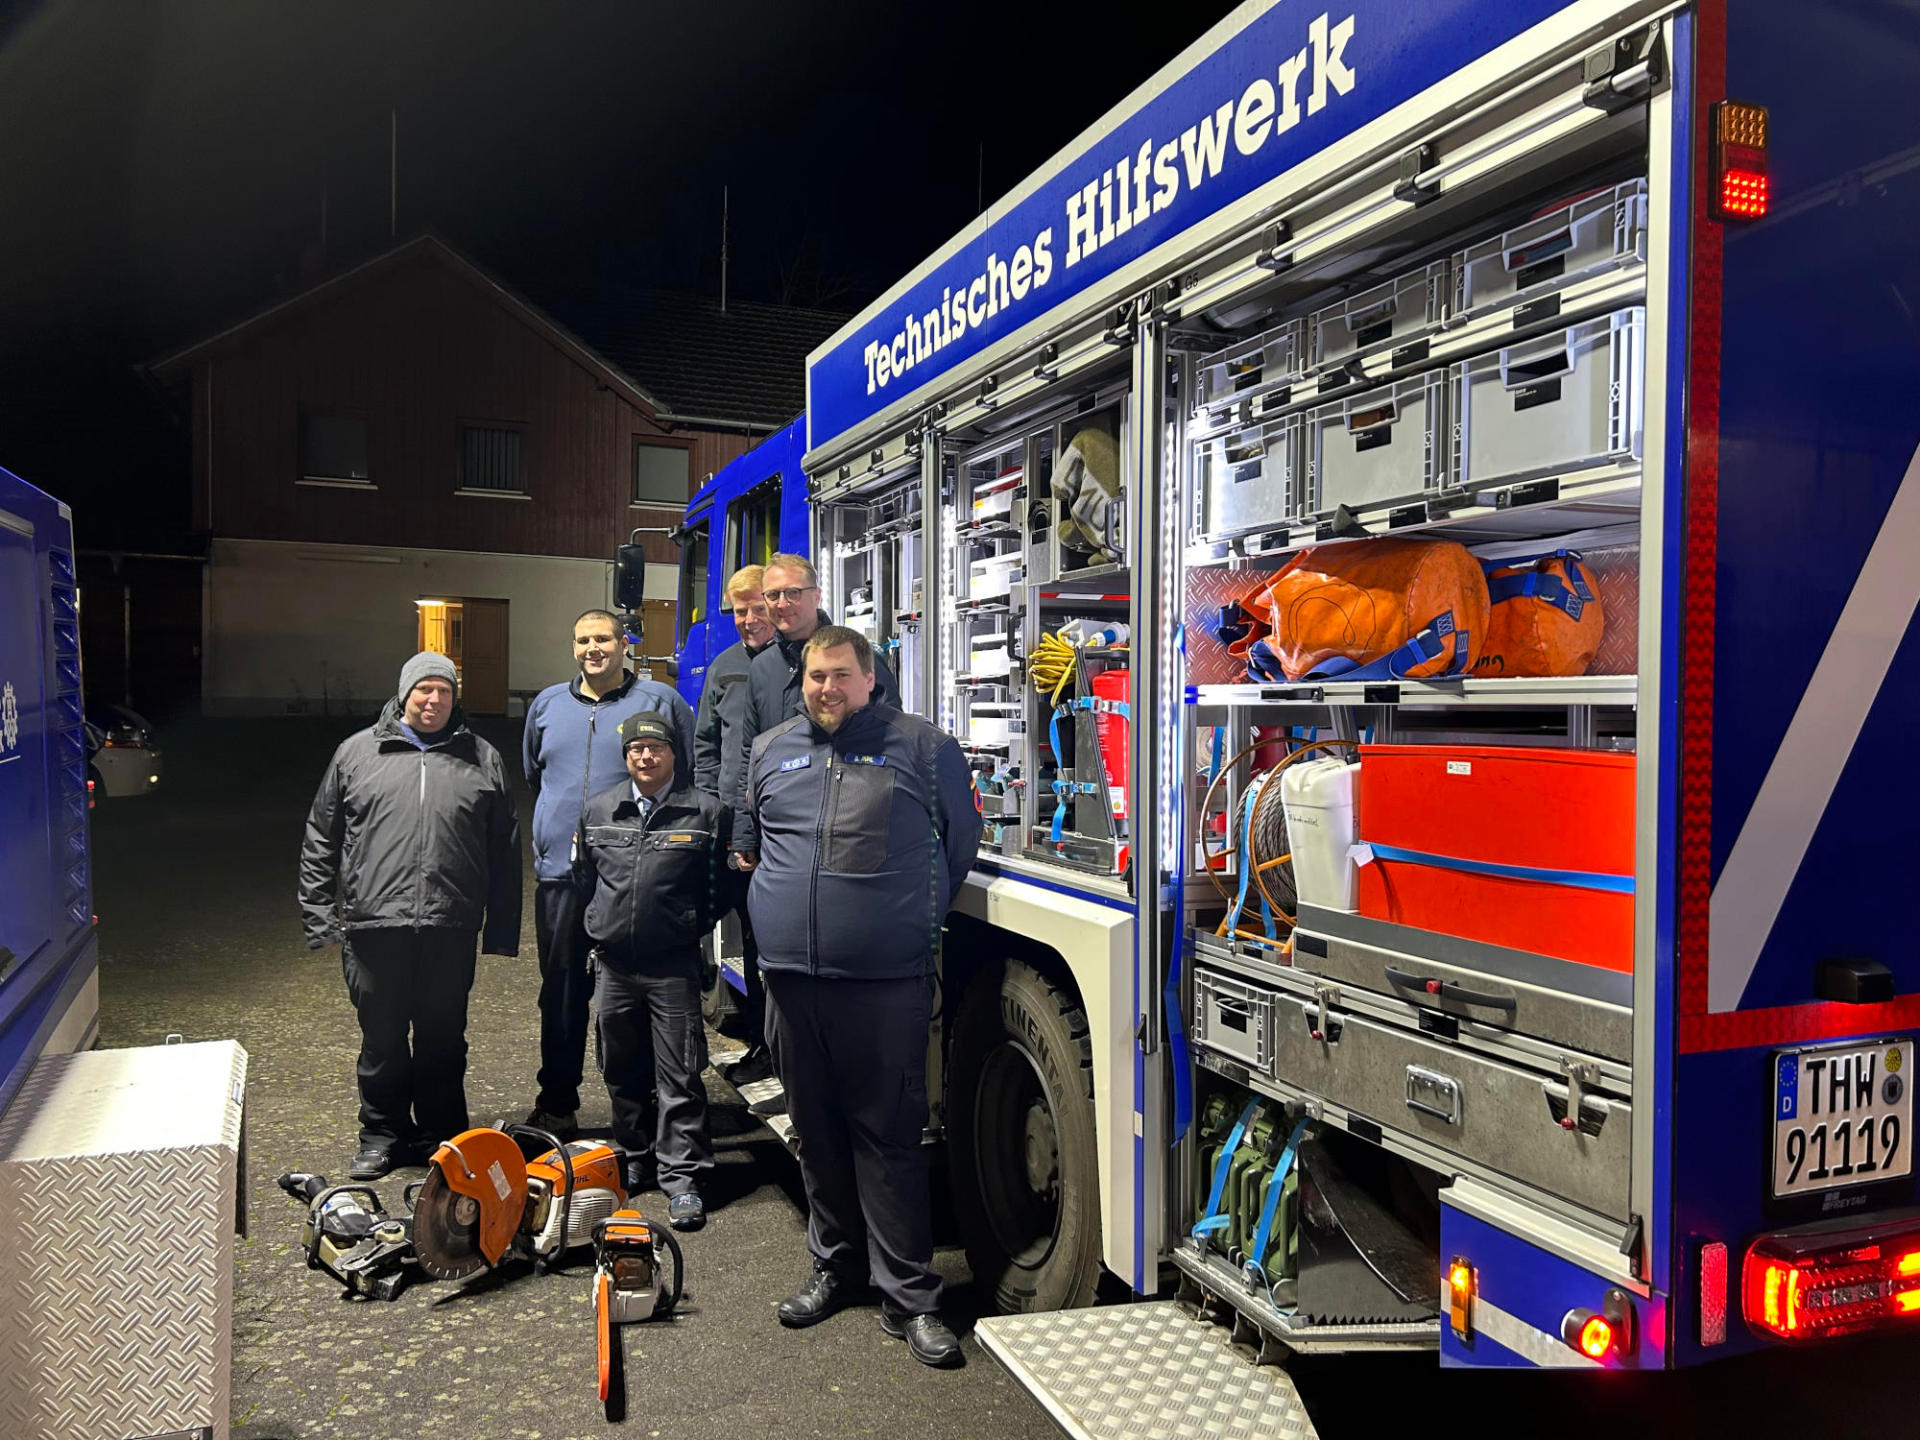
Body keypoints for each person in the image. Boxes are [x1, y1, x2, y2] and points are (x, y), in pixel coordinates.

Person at [745, 626, 982, 1369]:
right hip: (789, 979)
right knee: (815, 1133)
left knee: (889, 1139)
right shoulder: (771, 750)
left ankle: (910, 1295)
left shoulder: (922, 747)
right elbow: (760, 842)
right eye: (816, 676)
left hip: (885, 984)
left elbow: (959, 845)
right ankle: (837, 1267)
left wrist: (903, 921)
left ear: (869, 679)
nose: (826, 689)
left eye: (841, 675)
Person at [299, 652, 522, 1181]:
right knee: (382, 1041)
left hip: (451, 925)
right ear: (404, 694)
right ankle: (382, 1134)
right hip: (375, 926)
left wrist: (503, 929)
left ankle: (444, 1136)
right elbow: (320, 837)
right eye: (424, 690)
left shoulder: (481, 758)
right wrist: (319, 917)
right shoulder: (357, 753)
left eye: (444, 691)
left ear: (454, 698)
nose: (433, 700)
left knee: (445, 1038)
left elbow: (505, 850)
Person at [521, 608, 696, 1141]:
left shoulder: (659, 702)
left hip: (634, 877)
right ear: (573, 647)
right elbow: (536, 774)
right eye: (583, 641)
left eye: (603, 639)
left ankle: (642, 1115)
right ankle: (557, 1103)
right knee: (562, 991)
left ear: (625, 645)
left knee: (639, 995)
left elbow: (685, 773)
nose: (592, 649)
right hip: (560, 875)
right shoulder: (547, 705)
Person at [574, 712, 729, 1231]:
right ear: (627, 757)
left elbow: (720, 889)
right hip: (614, 966)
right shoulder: (600, 809)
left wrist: (686, 924)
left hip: (672, 967)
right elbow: (583, 880)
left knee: (680, 1073)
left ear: (673, 755)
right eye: (637, 749)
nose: (645, 757)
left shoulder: (704, 812)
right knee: (620, 1068)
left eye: (656, 749)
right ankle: (635, 1156)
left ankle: (683, 1179)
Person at [691, 565, 779, 1086]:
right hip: (727, 823)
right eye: (738, 610)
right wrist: (709, 801)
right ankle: (757, 1037)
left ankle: (777, 1043)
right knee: (744, 931)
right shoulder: (724, 666)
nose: (747, 618)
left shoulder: (792, 666)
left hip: (775, 827)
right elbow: (705, 742)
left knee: (773, 939)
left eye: (755, 607)